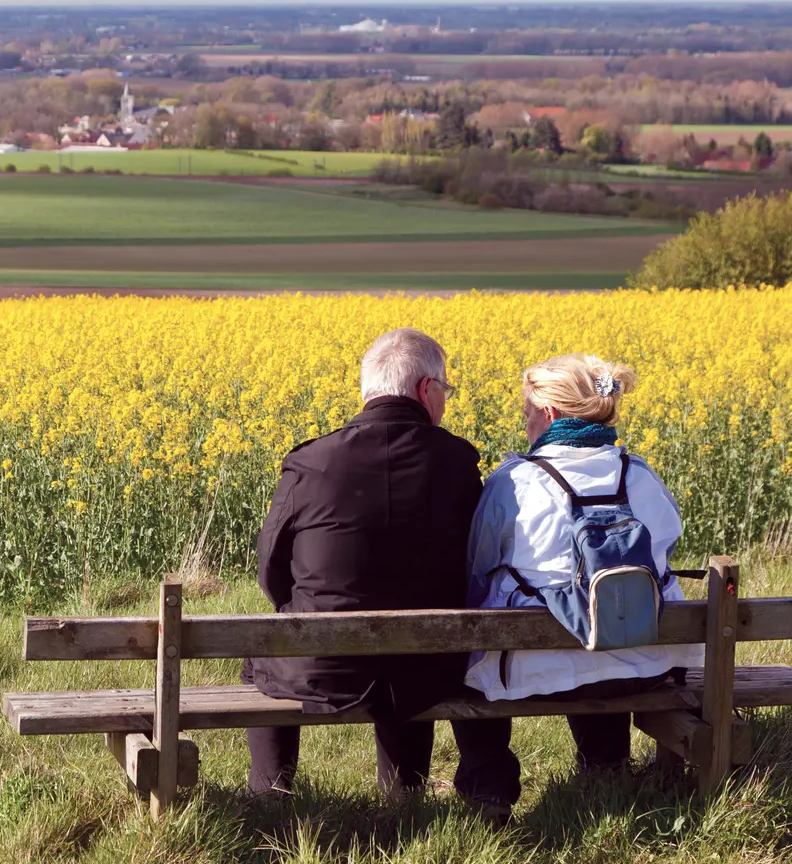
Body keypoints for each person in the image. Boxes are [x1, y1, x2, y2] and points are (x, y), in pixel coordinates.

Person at [455, 354, 704, 817]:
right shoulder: (642, 476)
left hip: (531, 675)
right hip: (642, 667)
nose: (525, 422)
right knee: (601, 645)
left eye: (527, 412)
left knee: (477, 655)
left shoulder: (517, 482)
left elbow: (479, 565)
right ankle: (605, 771)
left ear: (548, 415)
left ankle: (489, 793)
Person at [243, 327, 484, 796]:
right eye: (445, 390)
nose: (445, 401)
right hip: (430, 667)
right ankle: (404, 792)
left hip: (322, 664)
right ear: (424, 389)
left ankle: (270, 795)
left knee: (264, 651)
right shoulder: (458, 462)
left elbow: (270, 570)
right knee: (411, 642)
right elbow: (477, 561)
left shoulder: (310, 462)